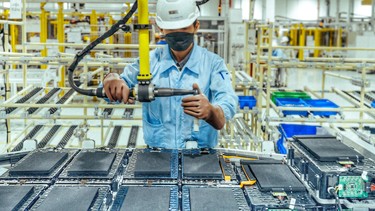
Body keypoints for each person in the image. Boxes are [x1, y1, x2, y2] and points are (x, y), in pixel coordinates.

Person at [102, 0, 237, 149]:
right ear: (161, 29)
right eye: (172, 29)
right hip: (156, 155)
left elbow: (228, 101)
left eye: (184, 28)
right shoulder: (149, 62)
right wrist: (111, 78)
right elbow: (118, 85)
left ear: (196, 26)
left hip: (200, 156)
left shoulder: (213, 63)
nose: (178, 34)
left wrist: (212, 111)